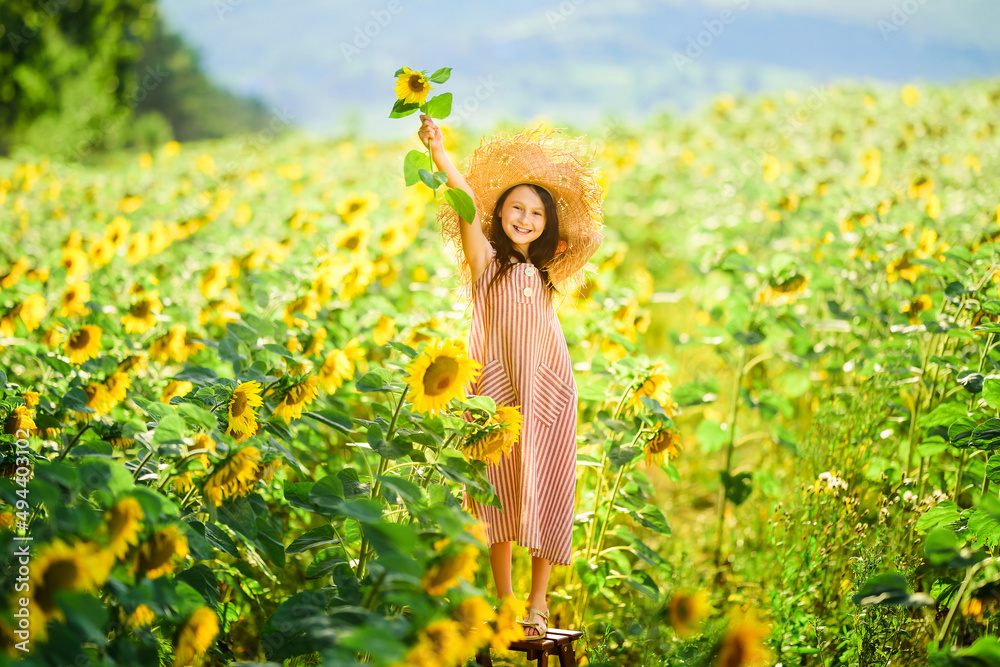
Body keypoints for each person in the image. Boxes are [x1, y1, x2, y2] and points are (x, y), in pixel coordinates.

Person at [417, 114, 604, 640]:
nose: (525, 218)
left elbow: (581, 240)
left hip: (547, 391)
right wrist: (439, 152)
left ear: (547, 225)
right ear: (498, 212)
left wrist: (559, 226)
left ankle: (539, 602)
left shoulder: (543, 274)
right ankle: (505, 602)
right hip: (496, 395)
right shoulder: (486, 263)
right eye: (516, 208)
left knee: (546, 486)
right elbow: (464, 202)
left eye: (537, 213)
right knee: (495, 491)